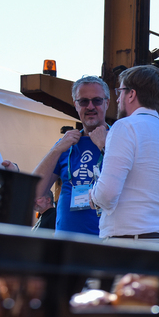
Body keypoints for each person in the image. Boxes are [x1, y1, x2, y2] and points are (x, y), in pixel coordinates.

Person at [88, 65, 159, 244]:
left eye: (120, 92)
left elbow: (107, 195)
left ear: (131, 94)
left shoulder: (125, 127)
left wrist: (93, 196)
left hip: (127, 245)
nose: (117, 99)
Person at [31, 76, 110, 235]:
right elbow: (34, 192)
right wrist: (56, 150)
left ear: (107, 103)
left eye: (96, 100)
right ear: (75, 104)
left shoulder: (119, 139)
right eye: (83, 101)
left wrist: (105, 146)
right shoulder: (66, 144)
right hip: (65, 242)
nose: (90, 106)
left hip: (104, 242)